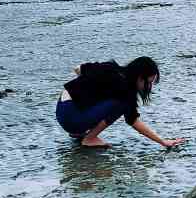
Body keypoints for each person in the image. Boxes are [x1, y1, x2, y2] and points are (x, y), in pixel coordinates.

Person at [55, 56, 185, 149]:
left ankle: (79, 132)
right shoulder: (127, 91)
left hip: (60, 109)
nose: (149, 87)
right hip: (72, 119)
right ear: (140, 77)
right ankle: (89, 139)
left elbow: (78, 69)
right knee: (119, 105)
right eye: (149, 82)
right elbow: (133, 121)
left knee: (103, 97)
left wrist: (87, 93)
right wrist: (163, 142)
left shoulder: (110, 67)